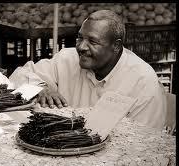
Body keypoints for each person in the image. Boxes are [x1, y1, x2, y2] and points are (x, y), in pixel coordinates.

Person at [9, 10, 167, 129]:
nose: (81, 47)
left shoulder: (143, 82)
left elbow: (143, 141)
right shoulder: (67, 58)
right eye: (80, 37)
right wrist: (38, 88)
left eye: (93, 41)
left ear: (116, 46)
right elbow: (20, 76)